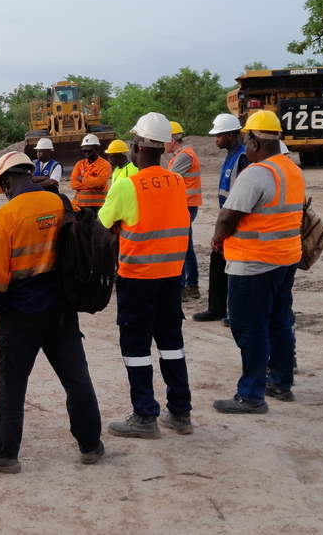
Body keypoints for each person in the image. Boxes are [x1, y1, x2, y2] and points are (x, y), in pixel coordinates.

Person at [0, 153, 104, 474]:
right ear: (30, 174)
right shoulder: (61, 203)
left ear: (6, 182)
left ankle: (4, 452)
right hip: (62, 310)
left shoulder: (7, 215)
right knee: (76, 378)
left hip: (20, 314)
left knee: (12, 385)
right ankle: (90, 446)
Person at [98, 113, 193, 439]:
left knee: (136, 347)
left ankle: (144, 416)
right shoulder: (177, 182)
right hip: (171, 277)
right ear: (164, 147)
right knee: (171, 344)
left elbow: (103, 223)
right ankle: (180, 412)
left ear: (136, 148)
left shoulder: (127, 185)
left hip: (137, 278)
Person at [211, 110, 304, 414]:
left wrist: (217, 242)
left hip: (253, 263)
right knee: (279, 322)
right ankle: (280, 382)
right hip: (285, 259)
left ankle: (251, 395)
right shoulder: (291, 169)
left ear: (253, 139)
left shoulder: (256, 173)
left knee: (250, 329)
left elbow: (227, 218)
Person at [193, 113, 252, 325]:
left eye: (218, 135)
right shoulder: (231, 156)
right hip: (228, 217)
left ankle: (235, 313)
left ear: (230, 135)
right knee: (218, 263)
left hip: (237, 221)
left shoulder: (243, 158)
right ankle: (216, 309)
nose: (215, 139)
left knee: (236, 270)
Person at [165, 121, 203, 301]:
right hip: (187, 205)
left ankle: (183, 288)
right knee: (186, 247)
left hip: (185, 206)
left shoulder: (184, 156)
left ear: (172, 140)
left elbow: (168, 180)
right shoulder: (184, 154)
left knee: (181, 247)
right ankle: (191, 286)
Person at [70, 134, 112, 209]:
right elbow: (73, 184)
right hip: (79, 205)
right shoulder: (80, 164)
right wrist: (92, 184)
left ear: (96, 149)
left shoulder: (105, 165)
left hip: (97, 206)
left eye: (89, 151)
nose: (87, 153)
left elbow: (100, 183)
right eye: (84, 151)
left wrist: (82, 179)